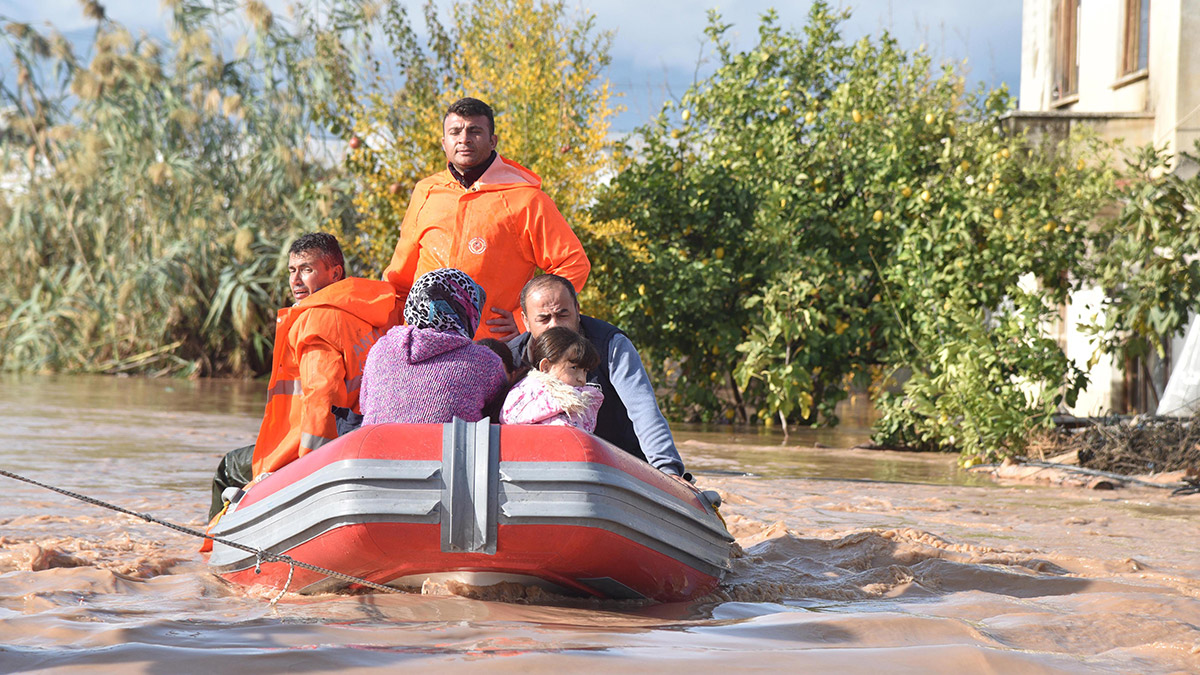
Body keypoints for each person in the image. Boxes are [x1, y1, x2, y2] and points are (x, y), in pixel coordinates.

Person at [208, 233, 400, 520]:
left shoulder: (315, 321)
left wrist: (308, 470)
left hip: (309, 448)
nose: (296, 280)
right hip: (364, 438)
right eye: (292, 271)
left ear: (335, 272)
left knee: (228, 468)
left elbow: (321, 402)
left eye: (306, 270)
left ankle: (213, 553)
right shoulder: (375, 312)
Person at [382, 97, 590, 341]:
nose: (464, 139)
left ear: (493, 141)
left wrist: (526, 319)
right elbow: (400, 275)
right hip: (422, 342)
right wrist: (392, 330)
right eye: (455, 131)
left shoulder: (526, 199)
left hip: (494, 350)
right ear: (443, 142)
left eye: (475, 131)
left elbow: (573, 264)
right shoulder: (425, 191)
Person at [507, 275, 689, 480]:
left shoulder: (611, 344)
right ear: (526, 321)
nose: (555, 325)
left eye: (563, 314)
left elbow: (643, 409)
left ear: (577, 310)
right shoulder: (510, 359)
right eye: (544, 318)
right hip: (542, 468)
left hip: (621, 465)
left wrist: (668, 470)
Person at [360, 268, 507, 425]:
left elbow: (365, 406)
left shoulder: (380, 350)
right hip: (449, 449)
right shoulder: (485, 362)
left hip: (374, 447)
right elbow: (501, 418)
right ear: (466, 308)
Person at [501, 326, 605, 432]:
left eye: (585, 371)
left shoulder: (582, 400)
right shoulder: (527, 396)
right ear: (545, 367)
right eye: (574, 368)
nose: (582, 379)